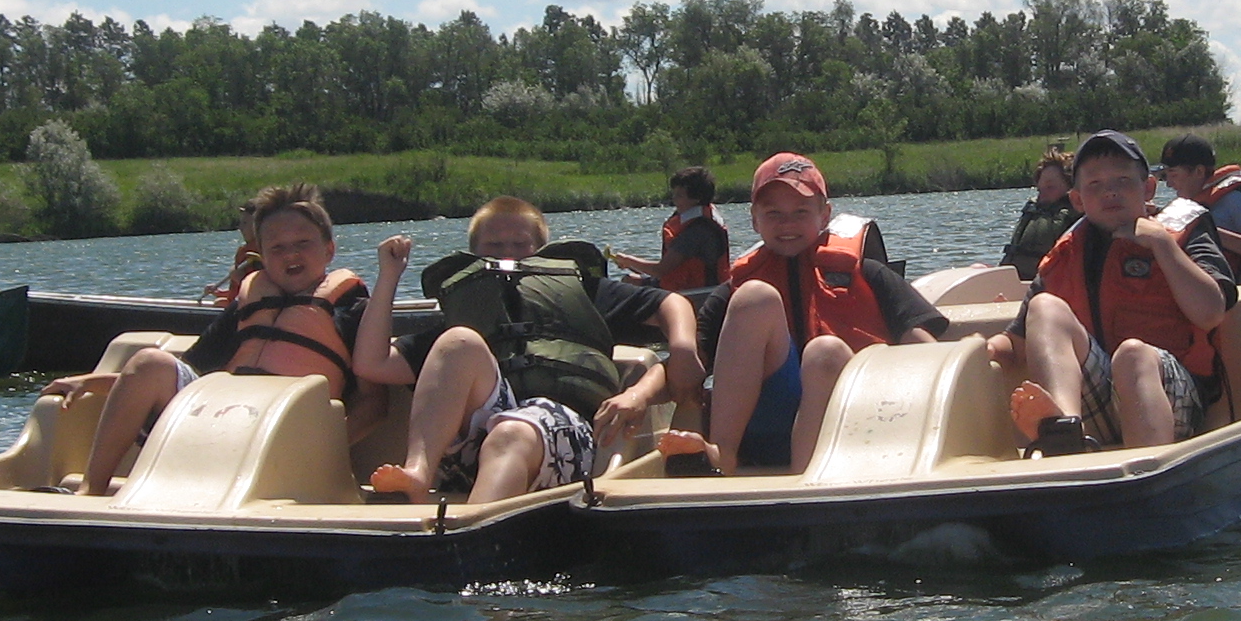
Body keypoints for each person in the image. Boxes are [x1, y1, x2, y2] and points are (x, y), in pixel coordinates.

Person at [361, 196, 705, 504]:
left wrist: (683, 348)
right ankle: (418, 474)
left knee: (512, 432)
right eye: (494, 246)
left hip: (569, 436)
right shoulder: (468, 307)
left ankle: (474, 536)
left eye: (519, 245)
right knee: (458, 341)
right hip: (476, 449)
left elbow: (670, 303)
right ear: (474, 256)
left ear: (542, 252)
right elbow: (372, 363)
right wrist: (389, 276)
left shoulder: (583, 291)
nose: (506, 255)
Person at [46, 184, 365, 497]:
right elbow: (181, 377)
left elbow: (375, 402)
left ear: (329, 250)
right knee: (149, 362)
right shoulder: (249, 305)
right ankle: (92, 490)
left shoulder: (350, 306)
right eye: (277, 248)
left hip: (292, 435)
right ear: (263, 257)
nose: (290, 255)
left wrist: (325, 450)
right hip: (224, 427)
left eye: (303, 243)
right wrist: (90, 382)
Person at [659, 151, 948, 475]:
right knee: (755, 297)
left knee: (825, 352)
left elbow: (925, 351)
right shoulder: (736, 293)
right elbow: (686, 366)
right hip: (767, 426)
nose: (787, 224)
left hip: (857, 427)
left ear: (824, 215)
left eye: (800, 211)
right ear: (754, 219)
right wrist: (637, 395)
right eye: (773, 213)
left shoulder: (869, 275)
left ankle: (805, 480)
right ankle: (722, 454)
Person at [995, 130, 1237, 454]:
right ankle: (1065, 432)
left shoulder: (1183, 233)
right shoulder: (1066, 253)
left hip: (1174, 397)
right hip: (1103, 400)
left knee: (1133, 355)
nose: (1110, 192)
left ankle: (1147, 472)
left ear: (1148, 188)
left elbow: (1210, 313)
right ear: (1078, 200)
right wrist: (980, 351)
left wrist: (1163, 245)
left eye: (1123, 180)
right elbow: (1017, 342)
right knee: (1044, 308)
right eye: (1095, 184)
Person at [1156, 133, 1241, 270]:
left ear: (1199, 172)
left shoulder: (1233, 201)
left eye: (1174, 174)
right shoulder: (1180, 208)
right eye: (1166, 176)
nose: (1169, 184)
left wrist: (1207, 231)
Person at [610, 164, 733, 293]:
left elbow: (660, 270)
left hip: (697, 292)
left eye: (679, 195)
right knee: (629, 280)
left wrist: (628, 261)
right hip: (678, 285)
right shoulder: (693, 217)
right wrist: (630, 264)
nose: (674, 199)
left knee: (627, 285)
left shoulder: (697, 231)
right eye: (674, 193)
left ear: (697, 199)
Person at [998, 149, 1079, 280]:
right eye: (1040, 190)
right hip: (1014, 282)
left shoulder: (1083, 221)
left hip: (1047, 287)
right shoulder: (1037, 212)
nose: (1042, 196)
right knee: (977, 267)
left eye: (1050, 188)